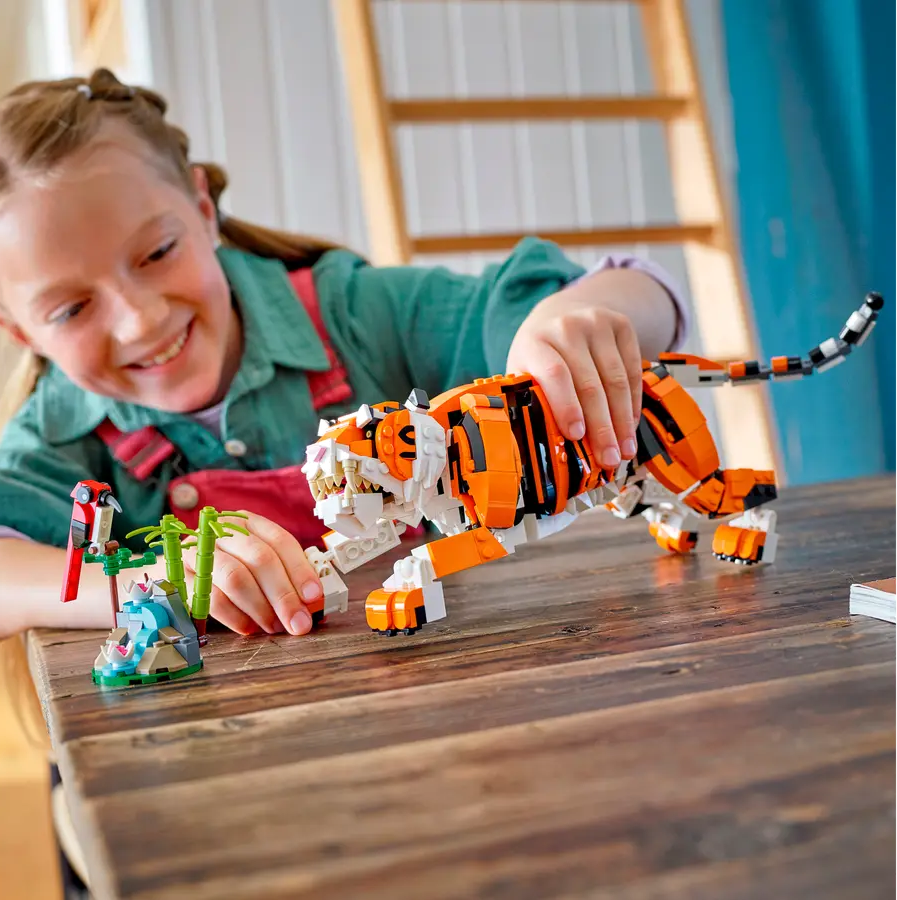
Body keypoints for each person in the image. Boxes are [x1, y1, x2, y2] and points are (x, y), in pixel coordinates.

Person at [0, 68, 687, 642]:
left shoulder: (358, 314)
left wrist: (569, 322)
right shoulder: (57, 440)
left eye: (156, 253)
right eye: (71, 309)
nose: (140, 320)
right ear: (21, 332)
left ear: (203, 211)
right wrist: (140, 583)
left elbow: (643, 293)